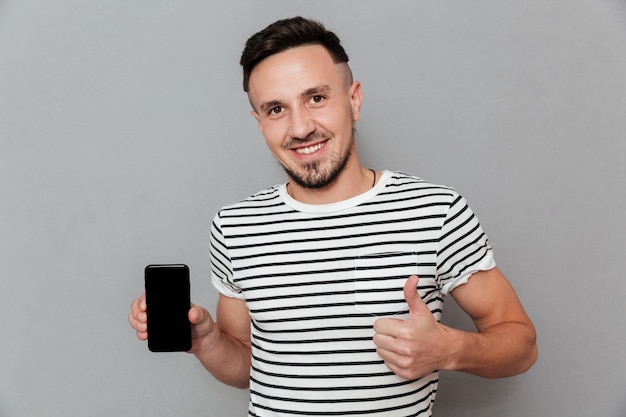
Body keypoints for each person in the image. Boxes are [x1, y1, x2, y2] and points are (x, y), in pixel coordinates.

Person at [129, 16, 538, 416]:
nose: (301, 127)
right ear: (259, 122)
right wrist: (205, 341)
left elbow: (521, 345)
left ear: (354, 99)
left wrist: (450, 348)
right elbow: (245, 368)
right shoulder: (236, 225)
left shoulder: (436, 211)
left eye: (316, 98)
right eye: (276, 109)